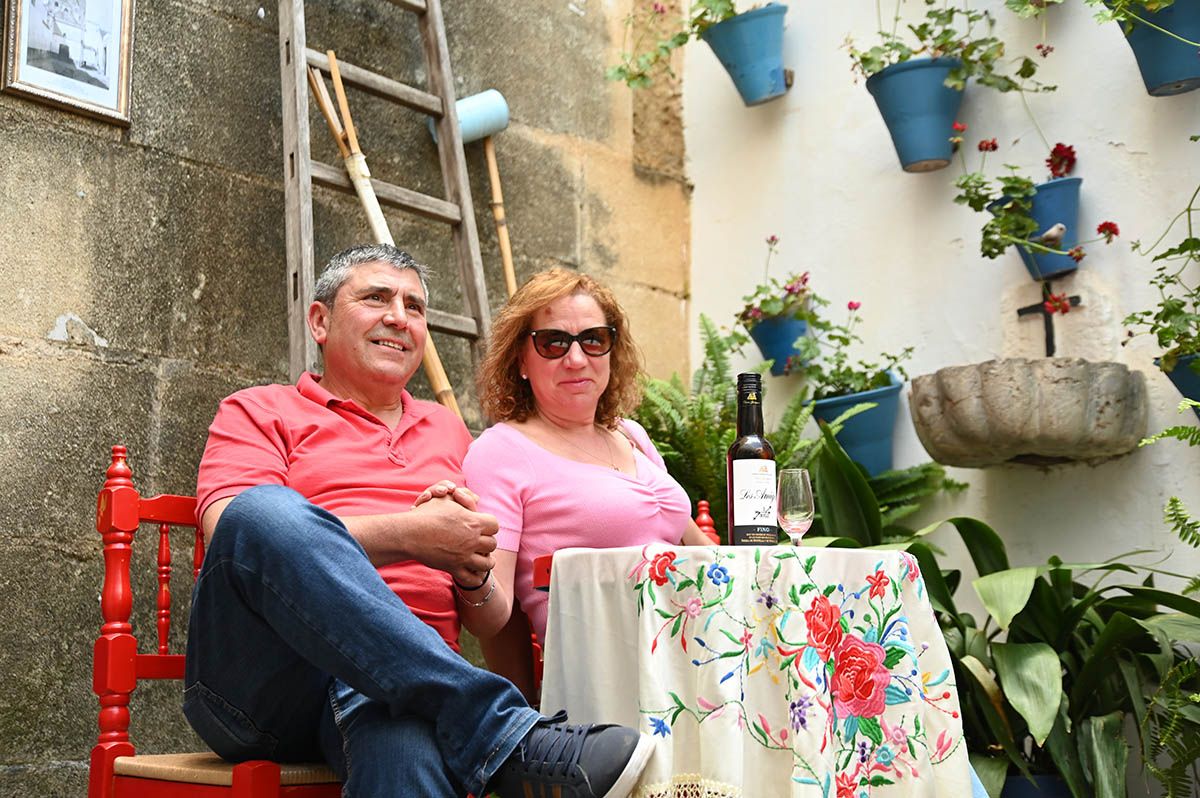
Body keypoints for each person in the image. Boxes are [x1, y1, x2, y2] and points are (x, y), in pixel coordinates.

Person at [184, 244, 653, 798]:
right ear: (320, 320)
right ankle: (503, 728)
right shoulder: (259, 410)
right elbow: (235, 538)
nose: (398, 317)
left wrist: (471, 567)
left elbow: (485, 607)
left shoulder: (451, 434)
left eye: (415, 305)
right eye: (376, 298)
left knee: (403, 739)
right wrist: (411, 536)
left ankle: (490, 722)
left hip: (403, 690)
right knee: (261, 511)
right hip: (269, 682)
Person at [460, 269, 712, 691]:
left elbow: (698, 550)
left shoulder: (632, 434)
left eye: (593, 339)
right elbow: (491, 617)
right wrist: (467, 575)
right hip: (610, 680)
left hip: (696, 654)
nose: (576, 359)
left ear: (613, 351)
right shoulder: (500, 451)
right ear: (521, 360)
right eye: (553, 343)